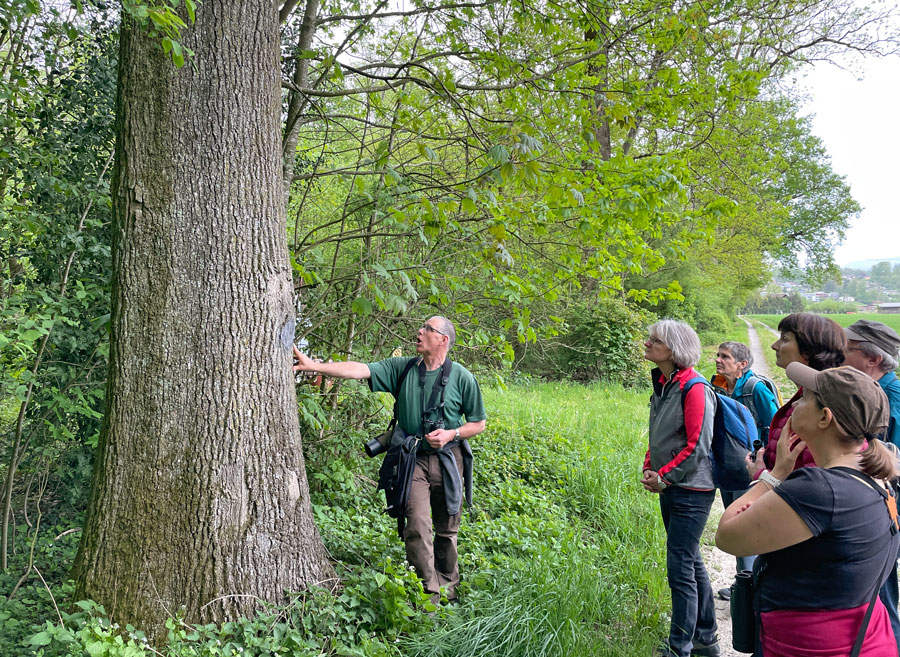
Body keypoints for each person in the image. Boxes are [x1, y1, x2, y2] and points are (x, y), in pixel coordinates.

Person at [293, 316, 486, 604]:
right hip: (412, 461)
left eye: (427, 329)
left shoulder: (461, 377)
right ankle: (429, 598)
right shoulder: (404, 368)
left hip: (449, 459)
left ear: (443, 340)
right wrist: (315, 366)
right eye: (421, 327)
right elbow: (360, 369)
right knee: (417, 527)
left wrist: (451, 434)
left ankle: (449, 588)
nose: (419, 332)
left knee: (447, 529)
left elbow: (478, 423)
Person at [716, 363, 900, 657]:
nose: (795, 404)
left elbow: (727, 536)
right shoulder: (876, 477)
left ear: (824, 418)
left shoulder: (820, 490)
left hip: (807, 646)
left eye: (803, 398)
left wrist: (773, 476)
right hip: (864, 640)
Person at [641, 319, 720, 657]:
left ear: (672, 350)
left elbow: (697, 445)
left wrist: (665, 476)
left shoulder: (695, 387)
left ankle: (680, 647)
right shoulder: (663, 382)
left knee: (680, 566)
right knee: (690, 560)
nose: (646, 343)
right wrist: (649, 466)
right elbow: (658, 435)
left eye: (654, 340)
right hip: (673, 484)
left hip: (693, 489)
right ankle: (706, 638)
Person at [842, 318, 900, 652]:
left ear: (872, 359)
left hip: (887, 509)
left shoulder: (891, 397)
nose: (840, 354)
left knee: (881, 592)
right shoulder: (874, 390)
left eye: (847, 349)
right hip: (876, 503)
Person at [710, 341, 779, 600]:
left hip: (752, 469)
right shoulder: (718, 385)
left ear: (742, 364)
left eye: (725, 357)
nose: (718, 360)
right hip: (728, 466)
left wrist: (764, 462)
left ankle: (749, 587)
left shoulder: (755, 389)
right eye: (718, 355)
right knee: (736, 519)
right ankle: (745, 584)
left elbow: (776, 427)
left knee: (745, 524)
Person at [747, 312, 846, 481]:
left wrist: (763, 476)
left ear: (808, 349)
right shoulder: (808, 395)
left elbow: (813, 482)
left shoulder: (818, 406)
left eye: (785, 338)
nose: (774, 345)